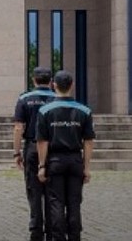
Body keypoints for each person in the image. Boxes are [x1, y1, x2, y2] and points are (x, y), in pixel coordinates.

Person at [35, 71, 95, 241]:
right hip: (75, 161)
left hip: (55, 161)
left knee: (56, 203)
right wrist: (87, 168)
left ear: (54, 85)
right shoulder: (85, 111)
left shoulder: (45, 110)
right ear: (72, 85)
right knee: (74, 203)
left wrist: (41, 166)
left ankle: (58, 237)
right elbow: (88, 141)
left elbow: (42, 141)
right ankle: (75, 237)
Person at [13, 67, 56, 241]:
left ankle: (36, 231)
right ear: (51, 81)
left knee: (34, 191)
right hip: (53, 149)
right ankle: (52, 231)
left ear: (33, 80)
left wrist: (16, 153)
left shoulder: (24, 99)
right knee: (53, 192)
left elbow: (18, 127)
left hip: (32, 147)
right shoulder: (57, 99)